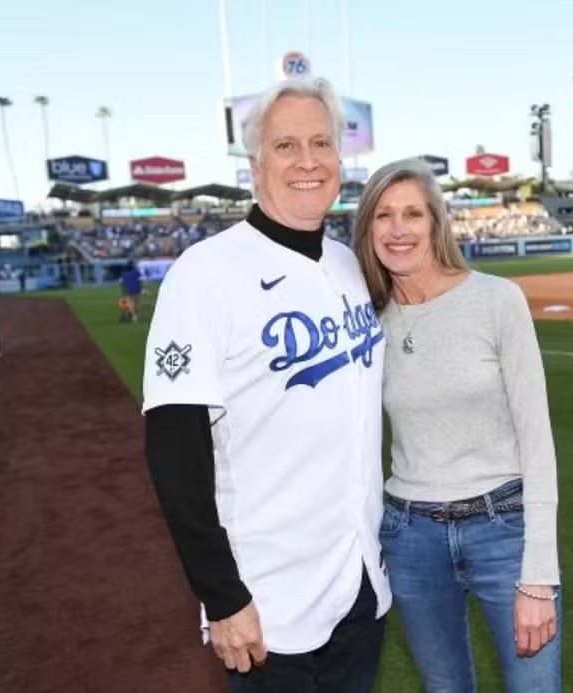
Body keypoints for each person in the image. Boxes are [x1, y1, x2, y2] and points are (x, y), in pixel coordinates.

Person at [141, 77, 390, 693]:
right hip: (268, 603)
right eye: (286, 146)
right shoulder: (204, 274)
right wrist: (221, 598)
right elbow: (175, 452)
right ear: (256, 165)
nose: (308, 161)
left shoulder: (349, 264)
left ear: (340, 156)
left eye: (321, 143)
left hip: (360, 586)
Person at [351, 159, 562, 693]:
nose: (398, 229)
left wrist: (538, 576)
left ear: (435, 223)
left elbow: (538, 440)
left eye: (412, 214)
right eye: (383, 216)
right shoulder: (364, 323)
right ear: (368, 229)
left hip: (503, 531)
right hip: (410, 538)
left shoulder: (496, 300)